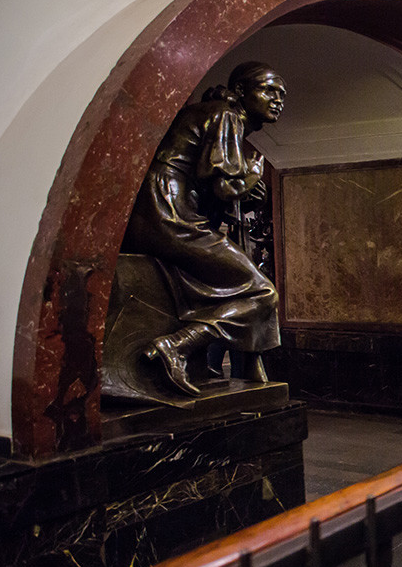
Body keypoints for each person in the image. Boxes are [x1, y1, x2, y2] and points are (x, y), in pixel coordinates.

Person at [121, 61, 286, 396]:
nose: (277, 99)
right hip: (169, 213)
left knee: (245, 281)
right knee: (261, 292)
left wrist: (248, 186)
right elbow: (226, 189)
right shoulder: (225, 115)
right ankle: (177, 347)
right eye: (268, 90)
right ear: (240, 91)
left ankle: (250, 369)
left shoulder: (221, 116)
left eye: (281, 94)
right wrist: (252, 177)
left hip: (161, 210)